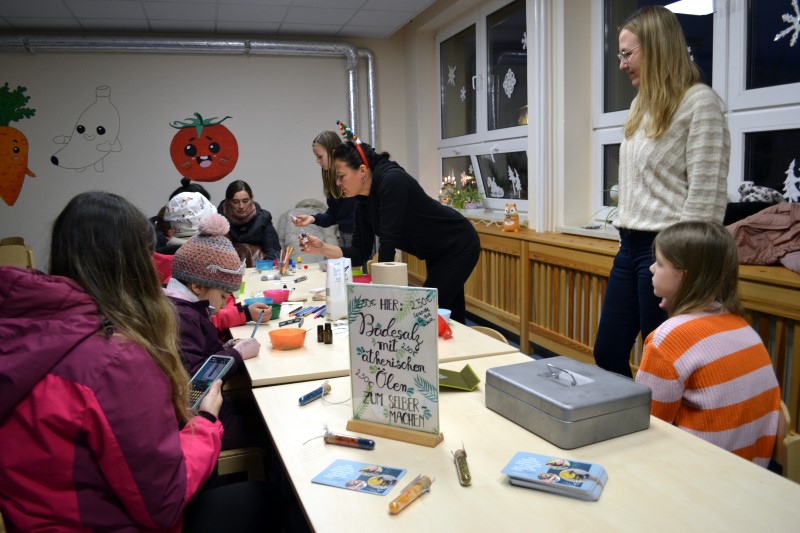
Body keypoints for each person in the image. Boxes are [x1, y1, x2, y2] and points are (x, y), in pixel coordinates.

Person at [0, 191, 273, 531]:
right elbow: (166, 499)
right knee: (271, 499)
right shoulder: (114, 359)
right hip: (111, 522)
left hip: (45, 519)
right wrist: (205, 422)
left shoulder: (24, 332)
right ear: (136, 263)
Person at [593, 5, 730, 378]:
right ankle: (630, 414)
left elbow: (706, 202)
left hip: (670, 250)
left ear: (655, 48)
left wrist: (683, 267)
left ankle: (661, 418)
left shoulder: (700, 104)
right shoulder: (640, 105)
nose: (621, 65)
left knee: (664, 365)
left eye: (627, 54)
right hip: (629, 246)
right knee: (607, 353)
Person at [635, 221, 780, 467]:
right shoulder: (743, 328)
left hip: (699, 475)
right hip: (752, 475)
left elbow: (644, 424)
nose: (651, 268)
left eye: (659, 263)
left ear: (684, 276)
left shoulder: (668, 338)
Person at [298, 131, 480, 324]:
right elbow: (359, 253)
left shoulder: (392, 181)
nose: (337, 182)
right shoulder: (362, 203)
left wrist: (381, 304)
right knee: (449, 318)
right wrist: (322, 248)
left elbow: (388, 244)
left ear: (362, 171)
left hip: (458, 243)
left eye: (341, 176)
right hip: (437, 252)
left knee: (422, 316)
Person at [165, 212, 266, 449]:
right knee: (269, 430)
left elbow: (198, 354)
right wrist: (237, 355)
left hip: (202, 410)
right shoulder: (182, 317)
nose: (222, 305)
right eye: (222, 296)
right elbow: (197, 382)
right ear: (197, 286)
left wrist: (225, 347)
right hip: (195, 419)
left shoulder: (186, 308)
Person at [293, 130, 358, 248]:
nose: (317, 161)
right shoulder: (331, 179)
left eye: (320, 156)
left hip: (358, 234)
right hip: (343, 233)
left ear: (333, 152)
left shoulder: (352, 176)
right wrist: (312, 218)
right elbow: (333, 214)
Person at [218, 179, 281, 265]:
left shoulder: (263, 218)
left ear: (251, 200)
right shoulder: (218, 219)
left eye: (245, 201)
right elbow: (217, 253)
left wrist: (263, 267)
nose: (241, 206)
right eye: (235, 202)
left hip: (259, 267)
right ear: (227, 202)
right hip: (229, 267)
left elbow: (272, 251)